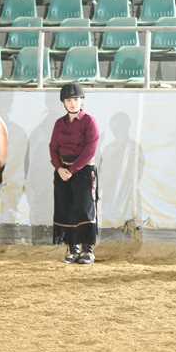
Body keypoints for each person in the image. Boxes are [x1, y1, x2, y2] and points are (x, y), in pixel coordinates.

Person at [50, 83, 100, 264]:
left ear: (81, 101)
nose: (72, 103)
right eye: (68, 100)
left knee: (84, 209)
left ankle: (87, 249)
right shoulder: (59, 124)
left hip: (83, 170)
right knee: (66, 208)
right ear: (64, 103)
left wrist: (72, 170)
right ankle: (73, 248)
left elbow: (90, 150)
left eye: (75, 99)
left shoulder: (89, 121)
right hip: (63, 171)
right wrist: (59, 168)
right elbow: (53, 147)